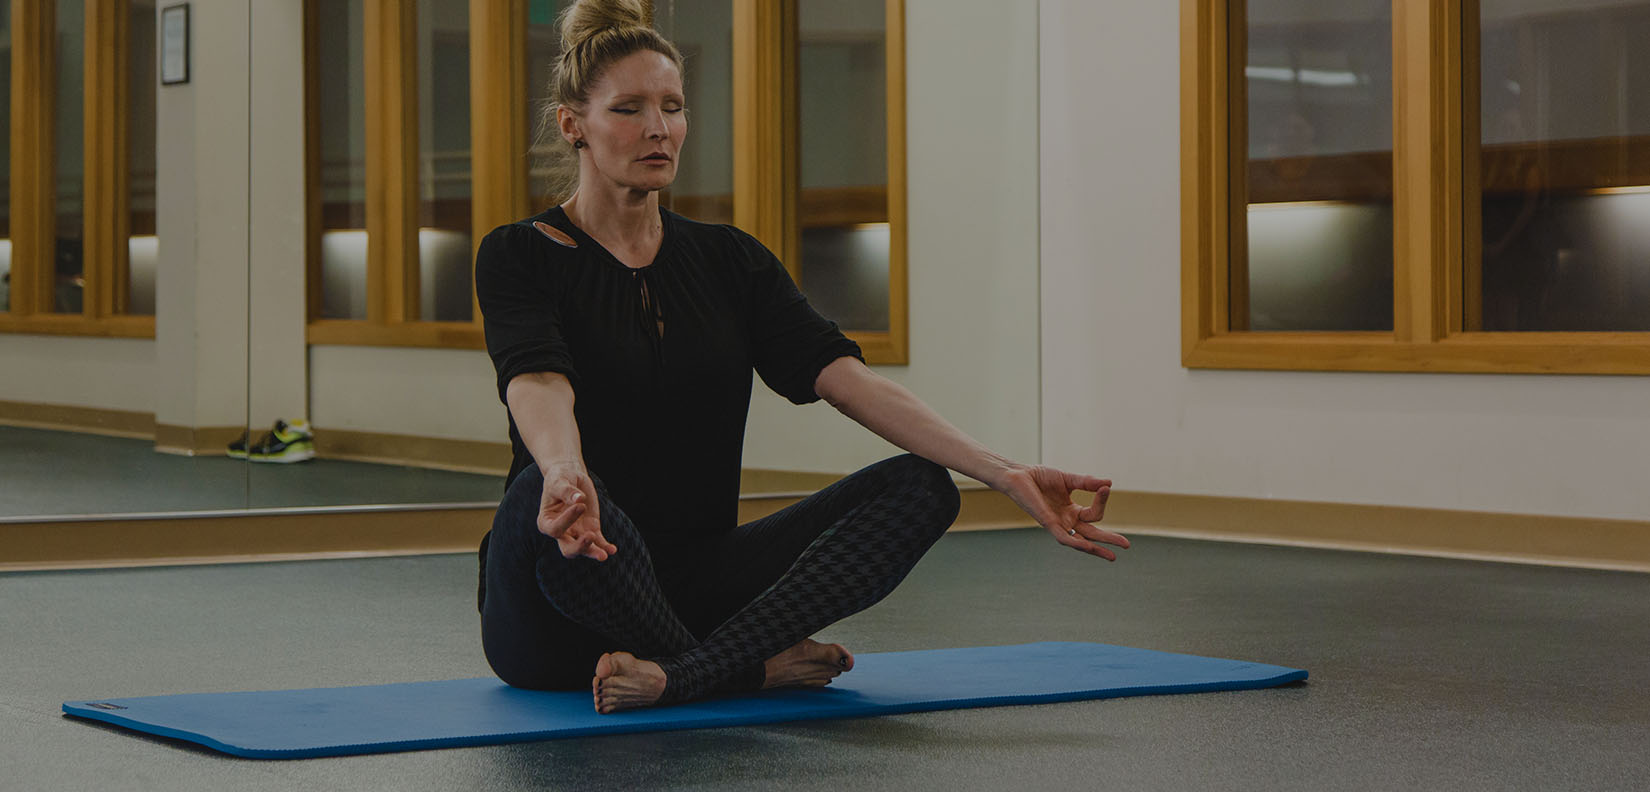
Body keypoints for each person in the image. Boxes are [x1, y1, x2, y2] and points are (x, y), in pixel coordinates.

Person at [475, 0, 1127, 715]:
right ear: (575, 125)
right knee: (542, 499)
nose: (659, 128)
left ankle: (686, 674)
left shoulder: (730, 260)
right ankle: (745, 669)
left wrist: (1005, 473)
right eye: (629, 108)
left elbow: (845, 380)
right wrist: (565, 472)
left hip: (697, 590)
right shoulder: (521, 254)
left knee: (923, 487)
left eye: (672, 106)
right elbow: (538, 378)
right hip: (560, 607)